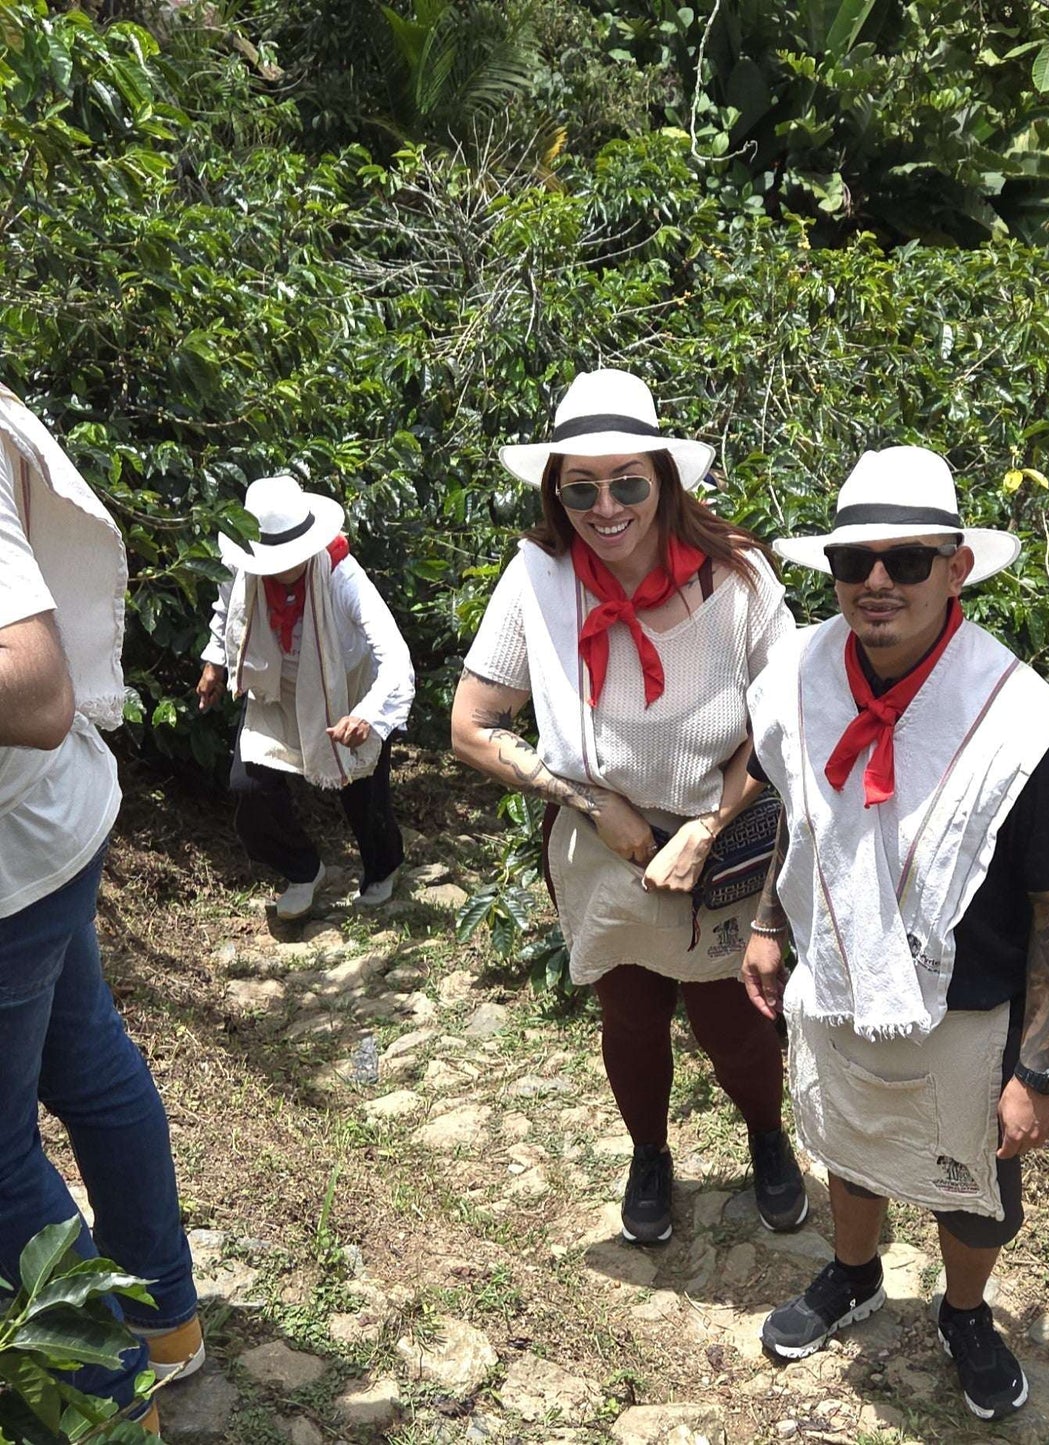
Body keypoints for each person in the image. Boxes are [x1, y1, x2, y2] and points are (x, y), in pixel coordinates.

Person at [742, 446, 1049, 1420]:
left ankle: (961, 1312)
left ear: (953, 567)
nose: (875, 581)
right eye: (854, 559)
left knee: (969, 1189)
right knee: (845, 1137)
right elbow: (801, 808)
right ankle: (852, 1273)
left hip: (964, 999)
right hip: (834, 972)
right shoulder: (798, 675)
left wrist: (1032, 1071)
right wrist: (766, 918)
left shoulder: (1012, 718)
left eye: (906, 560)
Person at [451, 367, 807, 1246]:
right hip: (602, 844)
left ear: (664, 479)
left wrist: (705, 828)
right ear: (555, 491)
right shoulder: (539, 578)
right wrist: (588, 804)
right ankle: (649, 1153)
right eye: (580, 488)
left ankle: (769, 1139)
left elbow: (787, 723)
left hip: (722, 838)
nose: (604, 507)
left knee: (735, 1019)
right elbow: (470, 724)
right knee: (632, 1013)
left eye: (626, 484)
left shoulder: (738, 578)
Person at [0, 385, 203, 1433]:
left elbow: (33, 691)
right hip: (46, 831)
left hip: (10, 861)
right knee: (88, 1057)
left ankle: (111, 1398)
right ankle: (164, 1321)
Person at [197, 475, 414, 918]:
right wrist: (214, 662)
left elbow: (396, 657)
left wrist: (368, 715)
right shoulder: (245, 568)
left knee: (362, 793)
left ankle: (382, 867)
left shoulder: (342, 574)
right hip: (274, 685)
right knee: (250, 789)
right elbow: (227, 612)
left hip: (345, 691)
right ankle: (303, 869)